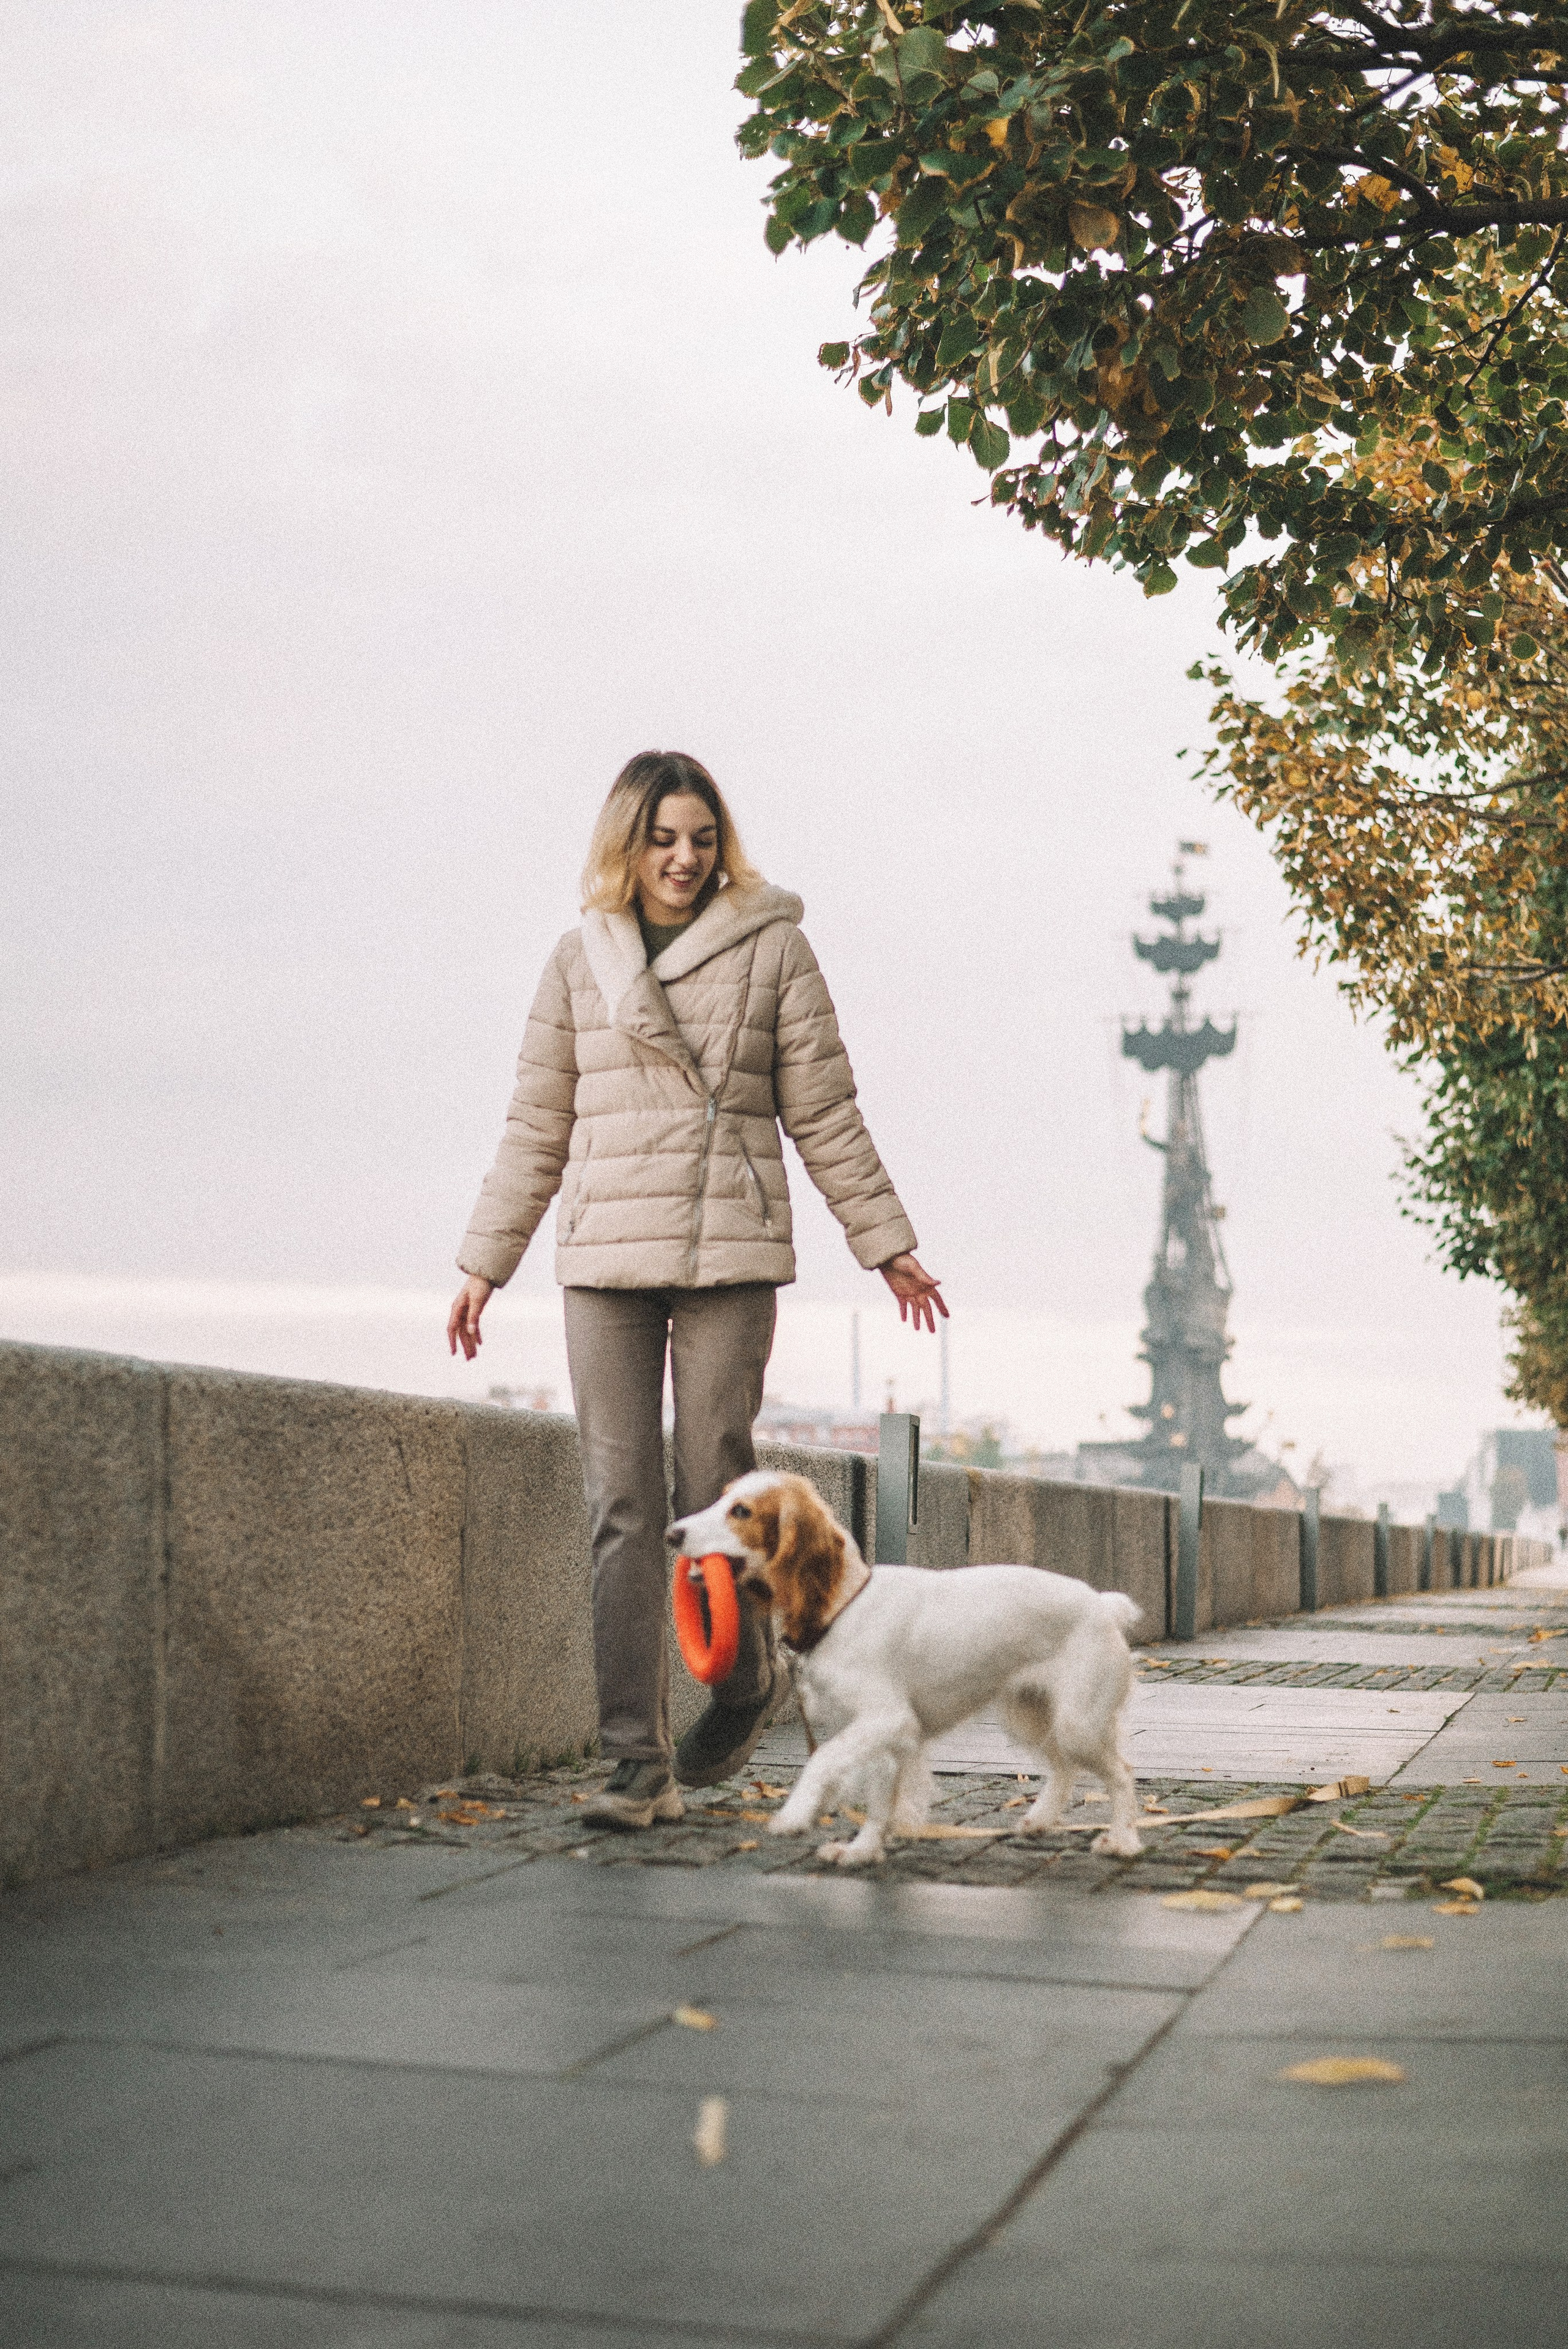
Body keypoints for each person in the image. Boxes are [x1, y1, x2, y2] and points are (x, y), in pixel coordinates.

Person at [447, 750, 945, 1829]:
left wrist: (886, 1243)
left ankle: (742, 1676)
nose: (685, 859)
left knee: (713, 1480)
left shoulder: (776, 950)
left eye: (703, 838)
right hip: (607, 1262)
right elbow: (537, 1124)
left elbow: (826, 1111)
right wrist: (486, 1261)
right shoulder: (579, 961)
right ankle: (637, 1764)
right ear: (627, 845)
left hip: (730, 1251)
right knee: (620, 1510)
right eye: (665, 839)